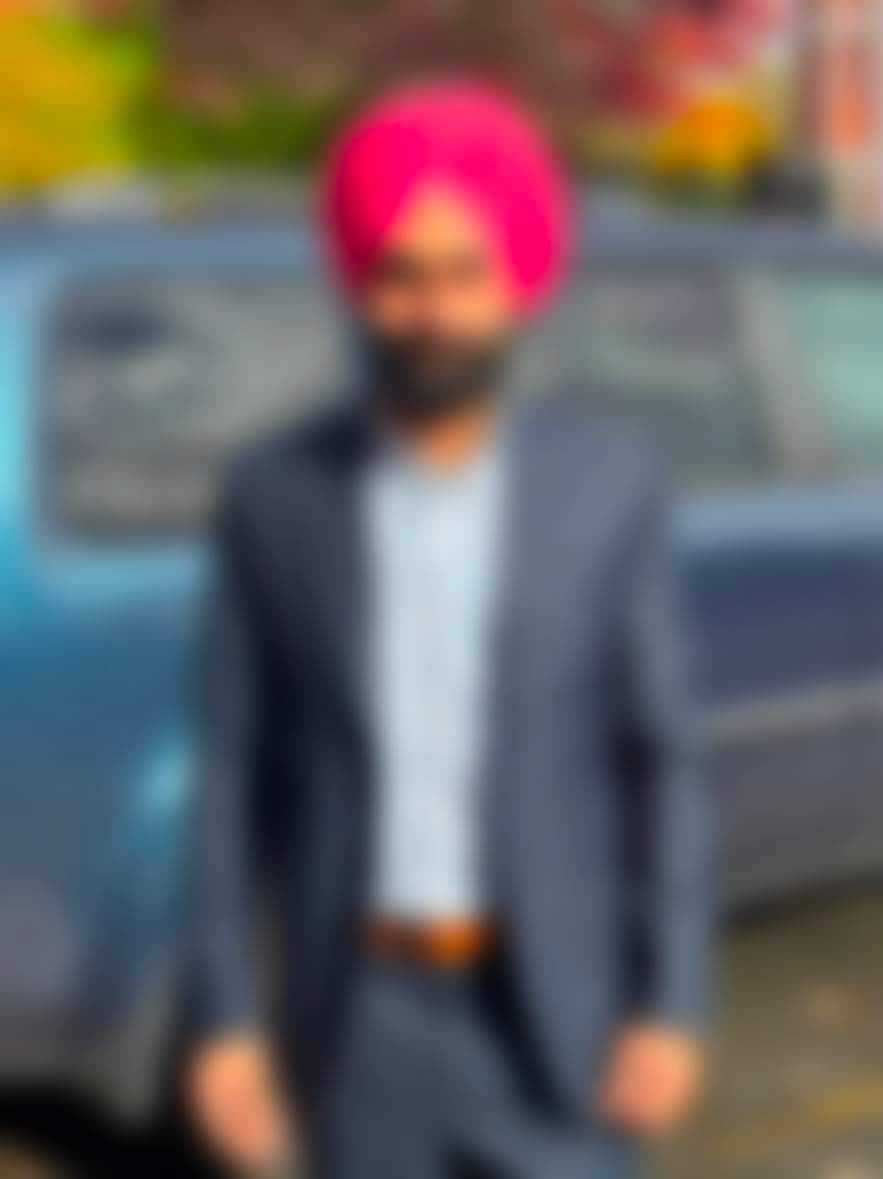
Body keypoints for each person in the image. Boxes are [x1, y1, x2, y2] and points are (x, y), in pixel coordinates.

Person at [185, 79, 713, 1179]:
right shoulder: (274, 496)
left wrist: (669, 1000)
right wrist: (224, 1015)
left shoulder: (606, 489)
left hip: (559, 1023)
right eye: (401, 276)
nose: (434, 312)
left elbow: (659, 758)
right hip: (358, 1027)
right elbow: (229, 773)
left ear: (515, 281)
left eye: (465, 274)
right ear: (357, 282)